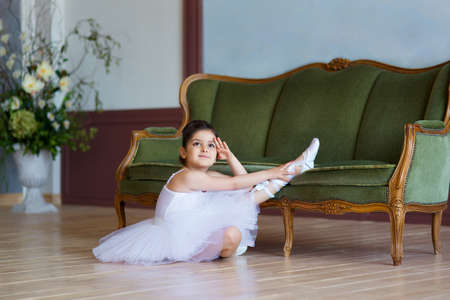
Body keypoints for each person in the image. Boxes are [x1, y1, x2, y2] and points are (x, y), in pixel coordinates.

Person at [93, 120, 319, 265]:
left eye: (211, 145)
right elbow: (234, 185)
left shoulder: (206, 177)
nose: (205, 149)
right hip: (180, 239)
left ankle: (293, 171)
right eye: (197, 144)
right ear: (183, 152)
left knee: (244, 198)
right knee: (232, 230)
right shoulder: (188, 176)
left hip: (196, 227)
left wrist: (230, 157)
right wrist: (275, 170)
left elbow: (243, 185)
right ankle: (291, 171)